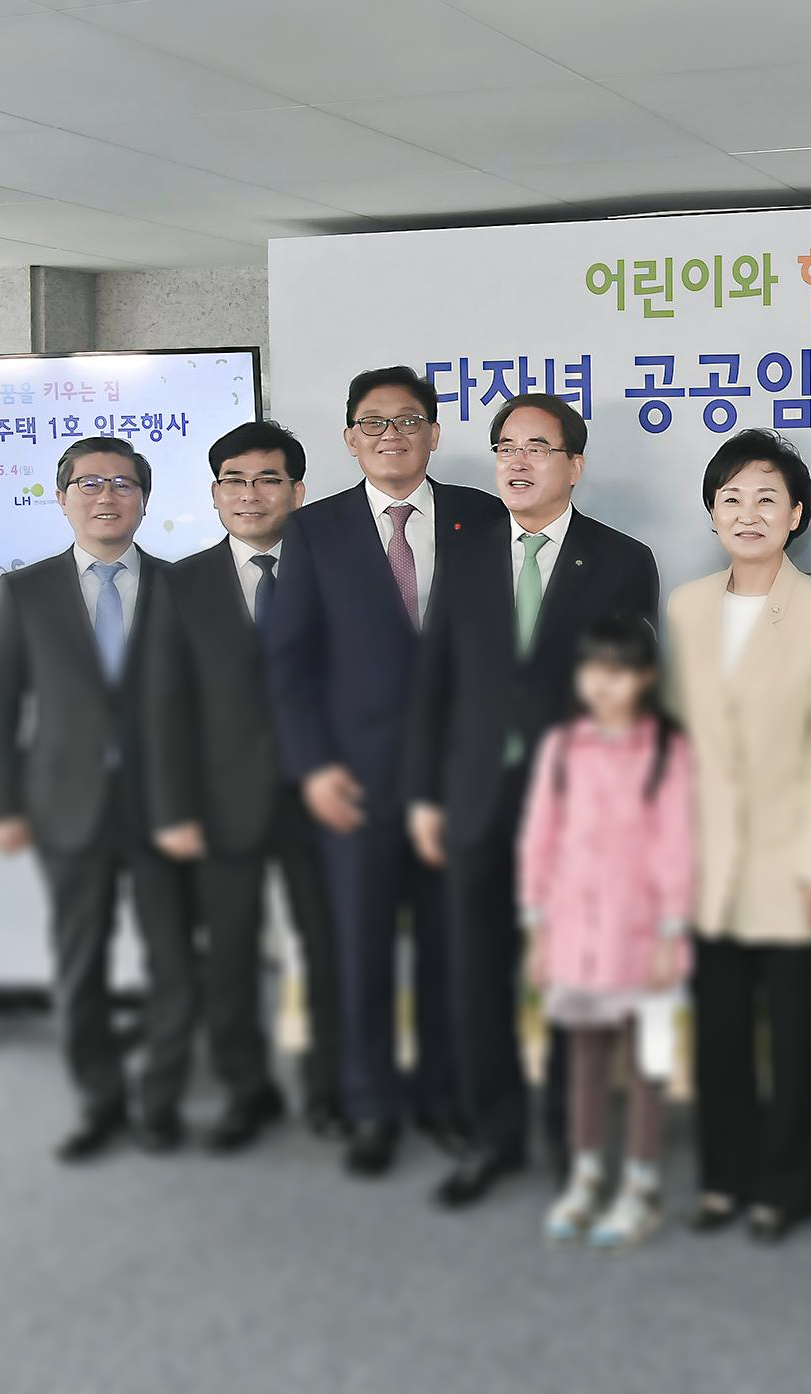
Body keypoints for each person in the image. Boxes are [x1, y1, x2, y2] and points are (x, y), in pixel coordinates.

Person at [405, 392, 659, 1211]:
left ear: (574, 465)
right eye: (506, 447)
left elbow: (631, 699)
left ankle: (569, 1141)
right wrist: (425, 795)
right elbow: (435, 679)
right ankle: (494, 1136)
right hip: (474, 799)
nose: (517, 462)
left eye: (537, 448)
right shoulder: (466, 552)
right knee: (476, 977)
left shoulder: (622, 561)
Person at [264, 365, 506, 1179]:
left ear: (434, 433)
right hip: (354, 786)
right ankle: (371, 1106)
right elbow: (289, 663)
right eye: (373, 422)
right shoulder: (314, 530)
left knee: (448, 951)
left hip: (454, 783)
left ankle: (441, 1099)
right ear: (349, 438)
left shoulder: (483, 517)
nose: (391, 435)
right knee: (360, 952)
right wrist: (312, 768)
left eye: (408, 420)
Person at [665, 429, 811, 1243]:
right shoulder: (685, 608)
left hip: (793, 859)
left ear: (797, 514)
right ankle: (724, 1178)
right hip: (707, 859)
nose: (748, 513)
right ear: (712, 512)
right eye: (732, 498)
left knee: (795, 1037)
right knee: (719, 1035)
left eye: (767, 498)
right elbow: (673, 741)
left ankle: (787, 1186)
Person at [0, 436, 196, 1160]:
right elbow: (0, 705)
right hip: (67, 805)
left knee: (174, 963)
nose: (108, 496)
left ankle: (160, 1104)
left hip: (166, 807)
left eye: (124, 484)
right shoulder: (26, 590)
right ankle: (100, 1104)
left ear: (145, 500)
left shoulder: (183, 587)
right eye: (90, 483)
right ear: (62, 497)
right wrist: (3, 805)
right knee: (79, 965)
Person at [143, 421, 344, 1152]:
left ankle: (332, 1090)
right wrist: (172, 809)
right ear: (214, 492)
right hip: (219, 803)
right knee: (227, 956)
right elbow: (162, 704)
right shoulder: (178, 583)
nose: (250, 494)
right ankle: (245, 1091)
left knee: (332, 949)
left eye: (267, 479)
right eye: (234, 480)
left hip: (323, 799)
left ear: (298, 490)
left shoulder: (340, 573)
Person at [520, 616, 696, 1253]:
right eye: (593, 669)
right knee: (585, 1060)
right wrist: (538, 932)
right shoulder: (562, 748)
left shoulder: (667, 750)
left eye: (618, 671)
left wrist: (670, 934)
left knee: (649, 1064)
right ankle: (587, 1173)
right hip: (577, 937)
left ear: (646, 678)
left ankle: (641, 1184)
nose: (602, 684)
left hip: (646, 939)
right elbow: (538, 842)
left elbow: (677, 846)